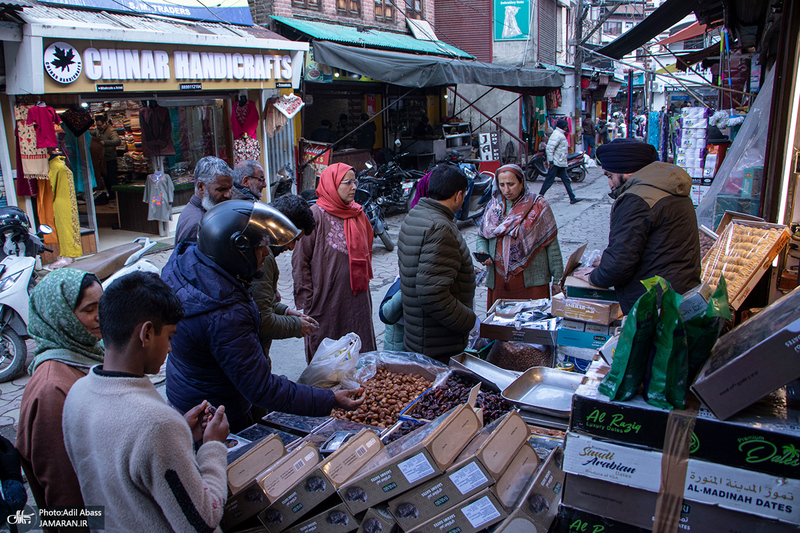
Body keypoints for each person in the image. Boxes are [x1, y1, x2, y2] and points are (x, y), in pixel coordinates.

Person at [164, 200, 364, 431]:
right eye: (260, 247)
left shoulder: (190, 262)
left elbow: (258, 304)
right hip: (214, 416)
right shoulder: (226, 315)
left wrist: (283, 310)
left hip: (188, 394)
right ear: (236, 250)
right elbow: (262, 388)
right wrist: (331, 399)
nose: (267, 252)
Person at [62, 272, 230, 531]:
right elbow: (203, 520)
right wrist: (213, 447)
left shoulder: (78, 392)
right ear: (147, 334)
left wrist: (181, 434)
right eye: (170, 337)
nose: (171, 349)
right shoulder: (157, 424)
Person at [575, 138, 701, 313]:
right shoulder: (669, 189)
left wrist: (594, 276)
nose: (610, 185)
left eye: (610, 176)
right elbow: (655, 245)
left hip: (653, 302)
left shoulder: (637, 199)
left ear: (626, 172)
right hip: (676, 291)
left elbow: (619, 263)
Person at [17, 269, 103, 518]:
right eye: (89, 310)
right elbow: (64, 494)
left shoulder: (88, 354)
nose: (101, 317)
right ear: (60, 317)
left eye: (102, 306)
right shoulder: (51, 392)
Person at [292, 163, 377, 363]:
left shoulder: (357, 213)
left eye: (354, 182)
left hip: (357, 298)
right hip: (325, 299)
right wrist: (307, 299)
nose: (354, 187)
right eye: (347, 183)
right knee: (327, 348)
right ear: (332, 185)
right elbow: (300, 259)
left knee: (359, 343)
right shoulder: (315, 215)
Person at [397, 164, 476, 363]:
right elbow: (433, 295)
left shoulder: (416, 214)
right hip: (438, 341)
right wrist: (470, 321)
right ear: (458, 195)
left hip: (420, 334)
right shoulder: (440, 227)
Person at [476, 164, 563, 307]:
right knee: (500, 324)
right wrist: (483, 251)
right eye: (502, 185)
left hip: (532, 282)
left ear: (522, 182)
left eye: (511, 184)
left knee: (532, 323)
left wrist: (558, 279)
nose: (506, 190)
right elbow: (482, 236)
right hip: (499, 281)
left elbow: (551, 243)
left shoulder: (538, 205)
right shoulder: (493, 206)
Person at [250, 194, 319, 358]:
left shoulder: (263, 251)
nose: (292, 246)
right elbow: (262, 321)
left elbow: (258, 303)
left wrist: (285, 311)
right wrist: (296, 326)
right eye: (293, 239)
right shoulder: (263, 259)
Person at [174, 156, 233, 244]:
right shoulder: (197, 224)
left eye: (230, 188)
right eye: (221, 189)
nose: (228, 195)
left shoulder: (202, 213)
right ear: (201, 187)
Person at [539, 118, 582, 204]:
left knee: (566, 180)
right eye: (566, 126)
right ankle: (539, 197)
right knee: (549, 181)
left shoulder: (559, 134)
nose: (567, 128)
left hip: (560, 162)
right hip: (555, 163)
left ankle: (572, 197)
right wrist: (551, 161)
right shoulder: (557, 135)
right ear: (562, 127)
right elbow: (550, 148)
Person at [90, 114, 120, 199]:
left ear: (104, 123)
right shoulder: (98, 131)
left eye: (100, 125)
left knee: (112, 178)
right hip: (102, 159)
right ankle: (110, 196)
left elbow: (117, 141)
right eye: (97, 125)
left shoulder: (111, 131)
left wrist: (105, 143)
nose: (98, 127)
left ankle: (115, 196)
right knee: (106, 178)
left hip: (110, 158)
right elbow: (91, 133)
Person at [378, 277, 405, 352]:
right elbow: (386, 315)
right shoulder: (403, 284)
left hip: (400, 351)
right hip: (399, 347)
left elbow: (386, 315)